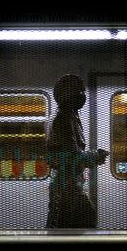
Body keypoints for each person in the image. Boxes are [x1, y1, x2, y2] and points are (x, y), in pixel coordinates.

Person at [46, 74, 108, 228]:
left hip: (70, 185)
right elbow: (72, 157)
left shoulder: (70, 115)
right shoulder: (63, 118)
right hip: (67, 188)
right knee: (68, 231)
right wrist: (96, 156)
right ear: (68, 95)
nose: (82, 96)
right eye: (78, 92)